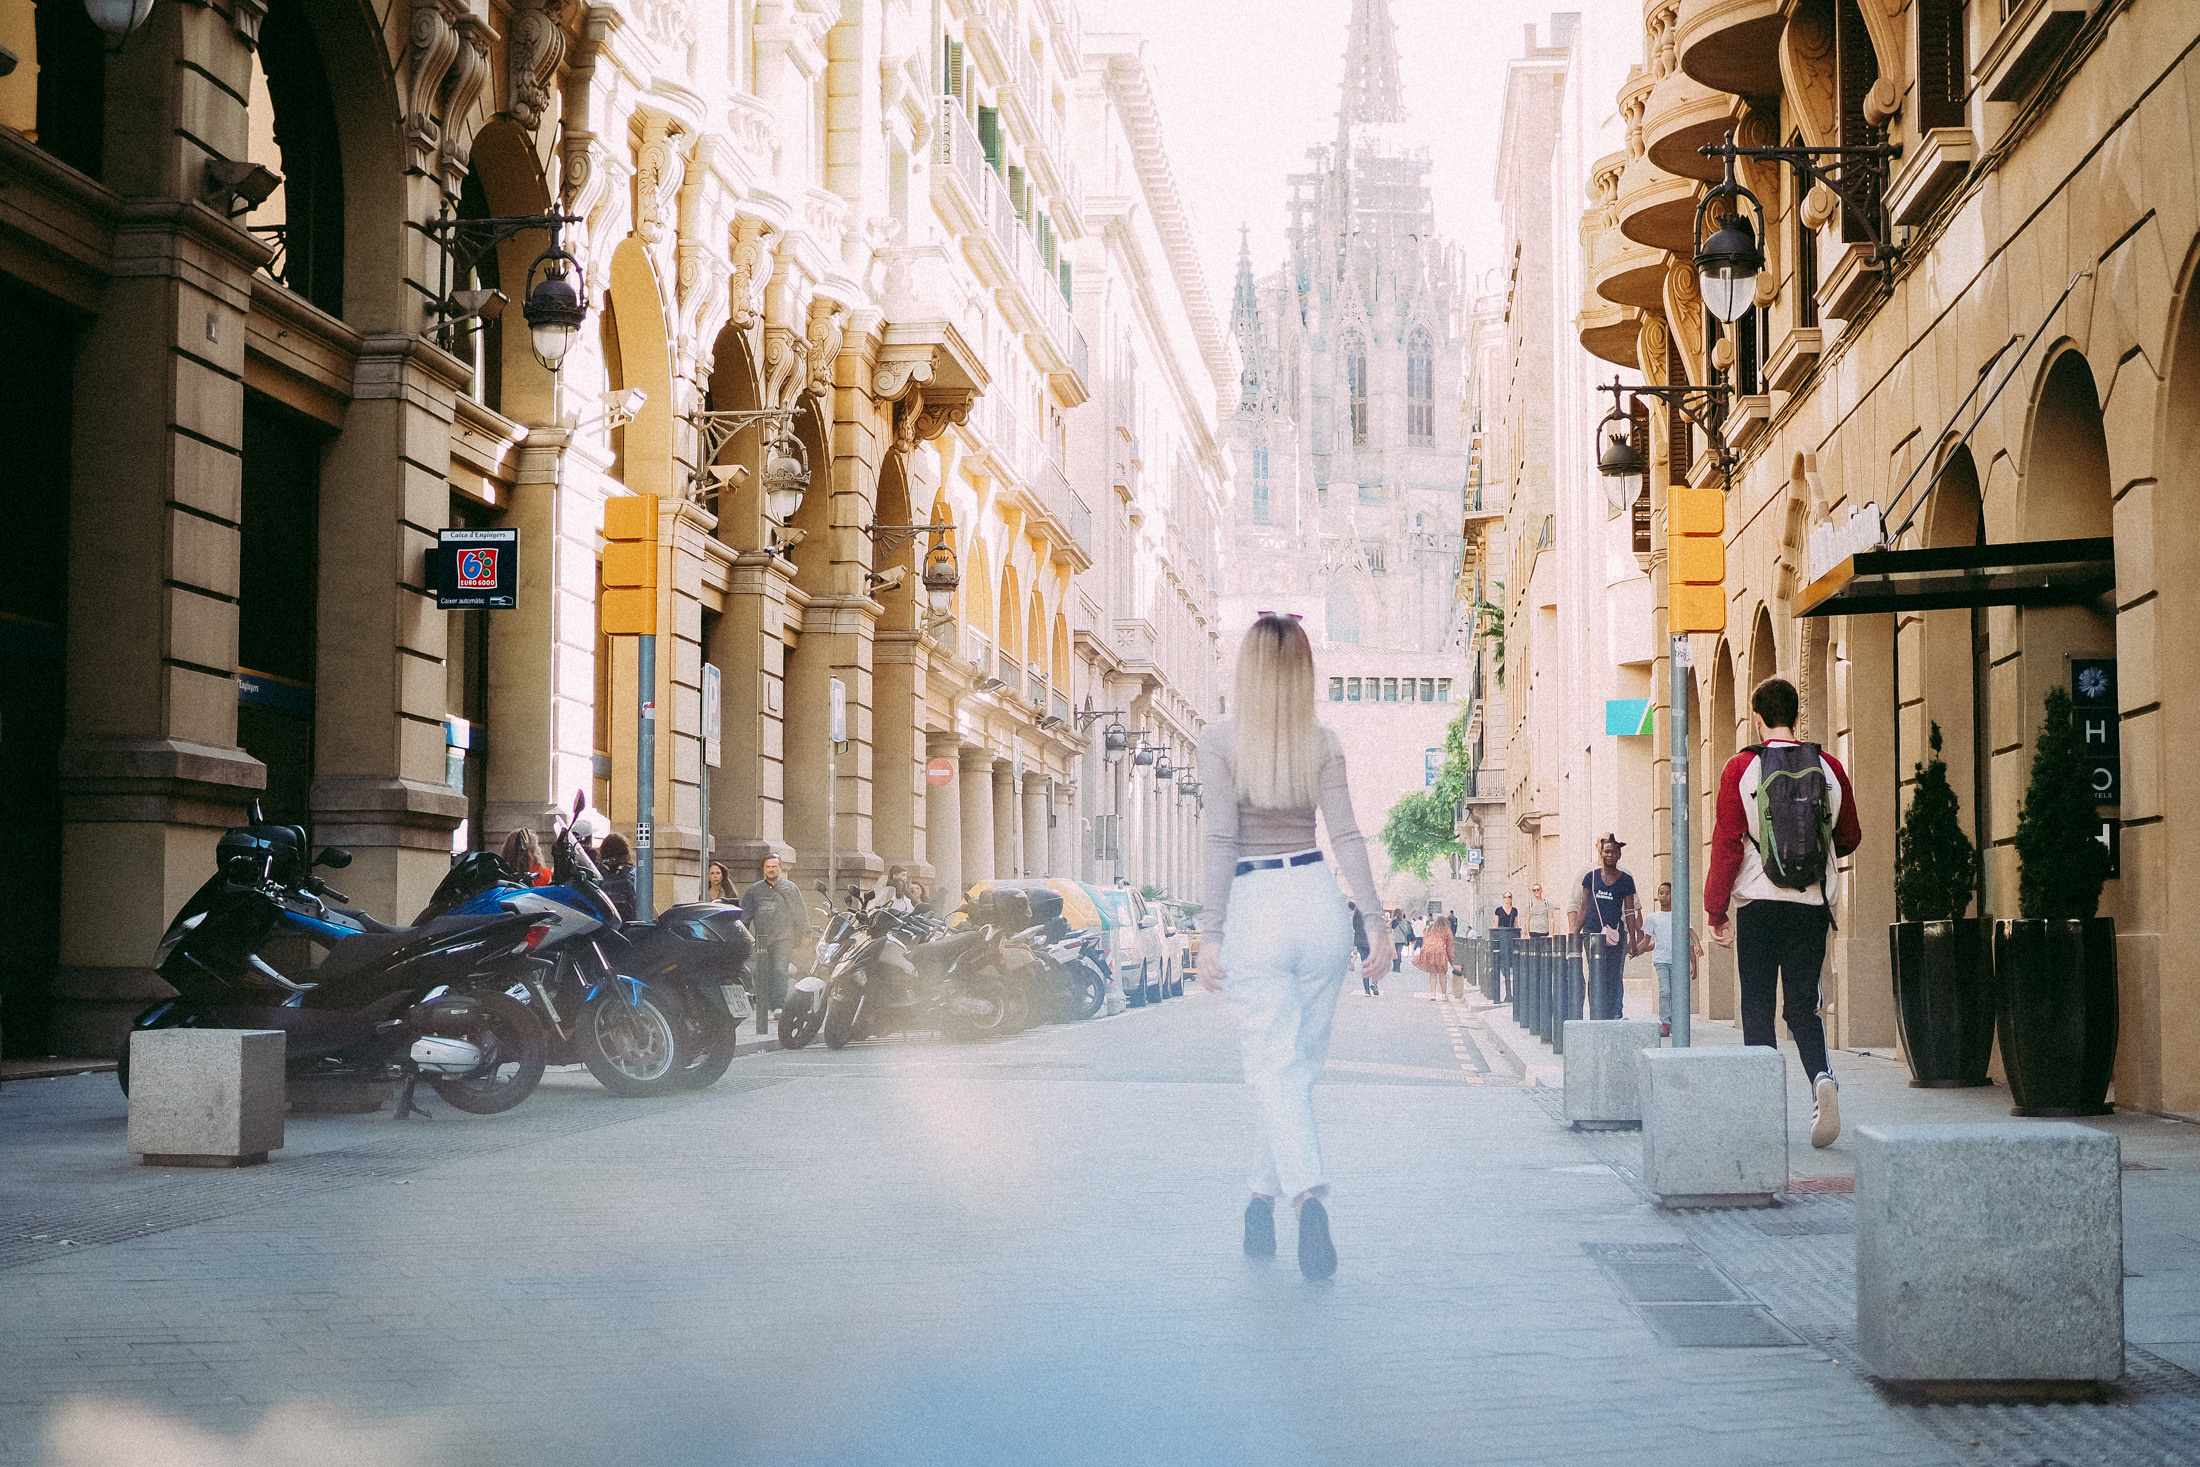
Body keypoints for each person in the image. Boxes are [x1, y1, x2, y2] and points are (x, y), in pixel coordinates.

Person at [1198, 613, 1390, 1280]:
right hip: (1317, 901)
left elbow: (1221, 839)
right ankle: (1259, 1200)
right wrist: (1377, 922)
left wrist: (1208, 932)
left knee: (1275, 1067)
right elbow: (1348, 835)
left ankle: (1307, 1197)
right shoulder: (1323, 742)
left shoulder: (1219, 741)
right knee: (1295, 1069)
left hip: (1253, 905)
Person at [1707, 676, 1863, 1150]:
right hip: (1809, 906)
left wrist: (1716, 911)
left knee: (1756, 1005)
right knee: (1801, 1006)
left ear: (1757, 719)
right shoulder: (1830, 766)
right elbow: (1851, 835)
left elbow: (1727, 844)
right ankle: (1821, 1080)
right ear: (1797, 715)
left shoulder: (1741, 768)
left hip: (1758, 903)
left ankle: (1763, 1111)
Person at [1572, 834, 1639, 1020]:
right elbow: (1583, 906)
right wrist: (1575, 933)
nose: (1609, 855)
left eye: (1613, 852)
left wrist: (1633, 940)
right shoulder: (1590, 877)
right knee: (1595, 974)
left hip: (1616, 935)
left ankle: (1615, 1013)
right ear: (1601, 854)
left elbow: (1630, 910)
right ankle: (1597, 1014)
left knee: (1615, 975)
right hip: (1592, 934)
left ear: (1619, 855)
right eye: (1606, 851)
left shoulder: (1626, 880)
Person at [744, 853, 814, 1019]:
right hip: (761, 939)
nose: (770, 870)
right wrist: (744, 934)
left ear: (780, 869)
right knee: (762, 972)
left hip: (784, 938)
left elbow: (800, 911)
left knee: (779, 970)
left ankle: (778, 1007)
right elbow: (745, 914)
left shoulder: (791, 888)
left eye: (774, 866)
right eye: (767, 867)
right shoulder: (755, 890)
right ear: (763, 869)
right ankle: (765, 1007)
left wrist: (806, 932)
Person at [1643, 881, 1698, 1040]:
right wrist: (1634, 949)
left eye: (1668, 893)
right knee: (1665, 991)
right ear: (1657, 896)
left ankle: (1677, 1021)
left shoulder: (1680, 915)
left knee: (1677, 993)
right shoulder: (1653, 918)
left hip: (1678, 962)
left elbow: (1689, 939)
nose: (1664, 896)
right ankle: (1665, 1023)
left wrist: (1694, 962)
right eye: (1661, 893)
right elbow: (1646, 942)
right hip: (1661, 961)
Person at [596, 832, 639, 921]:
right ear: (625, 851)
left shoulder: (597, 873)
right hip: (630, 923)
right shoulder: (633, 872)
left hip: (606, 922)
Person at [1413, 911, 1454, 999]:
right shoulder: (1447, 931)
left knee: (1433, 972)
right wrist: (1452, 961)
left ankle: (1433, 994)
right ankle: (1443, 995)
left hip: (1429, 950)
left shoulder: (1430, 929)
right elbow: (1450, 947)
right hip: (1440, 951)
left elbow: (1425, 940)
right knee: (1443, 973)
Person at [1348, 903, 1378, 996]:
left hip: (1360, 941)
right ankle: (1374, 982)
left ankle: (1367, 991)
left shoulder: (1356, 914)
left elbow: (1354, 926)